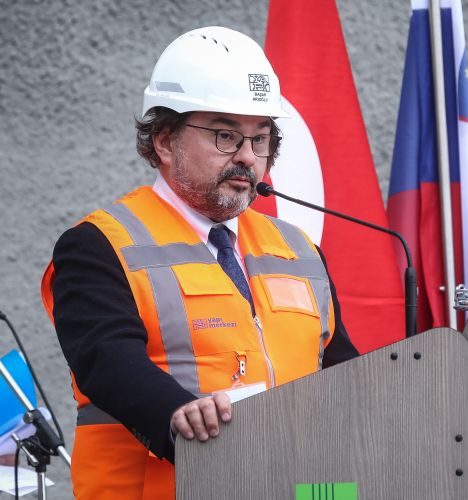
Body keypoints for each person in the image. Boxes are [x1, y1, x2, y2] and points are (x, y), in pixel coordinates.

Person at [40, 26, 358, 499]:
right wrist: (177, 414)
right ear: (165, 141)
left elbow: (345, 375)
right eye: (226, 136)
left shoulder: (300, 249)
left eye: (260, 138)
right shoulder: (99, 245)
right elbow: (106, 360)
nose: (248, 158)